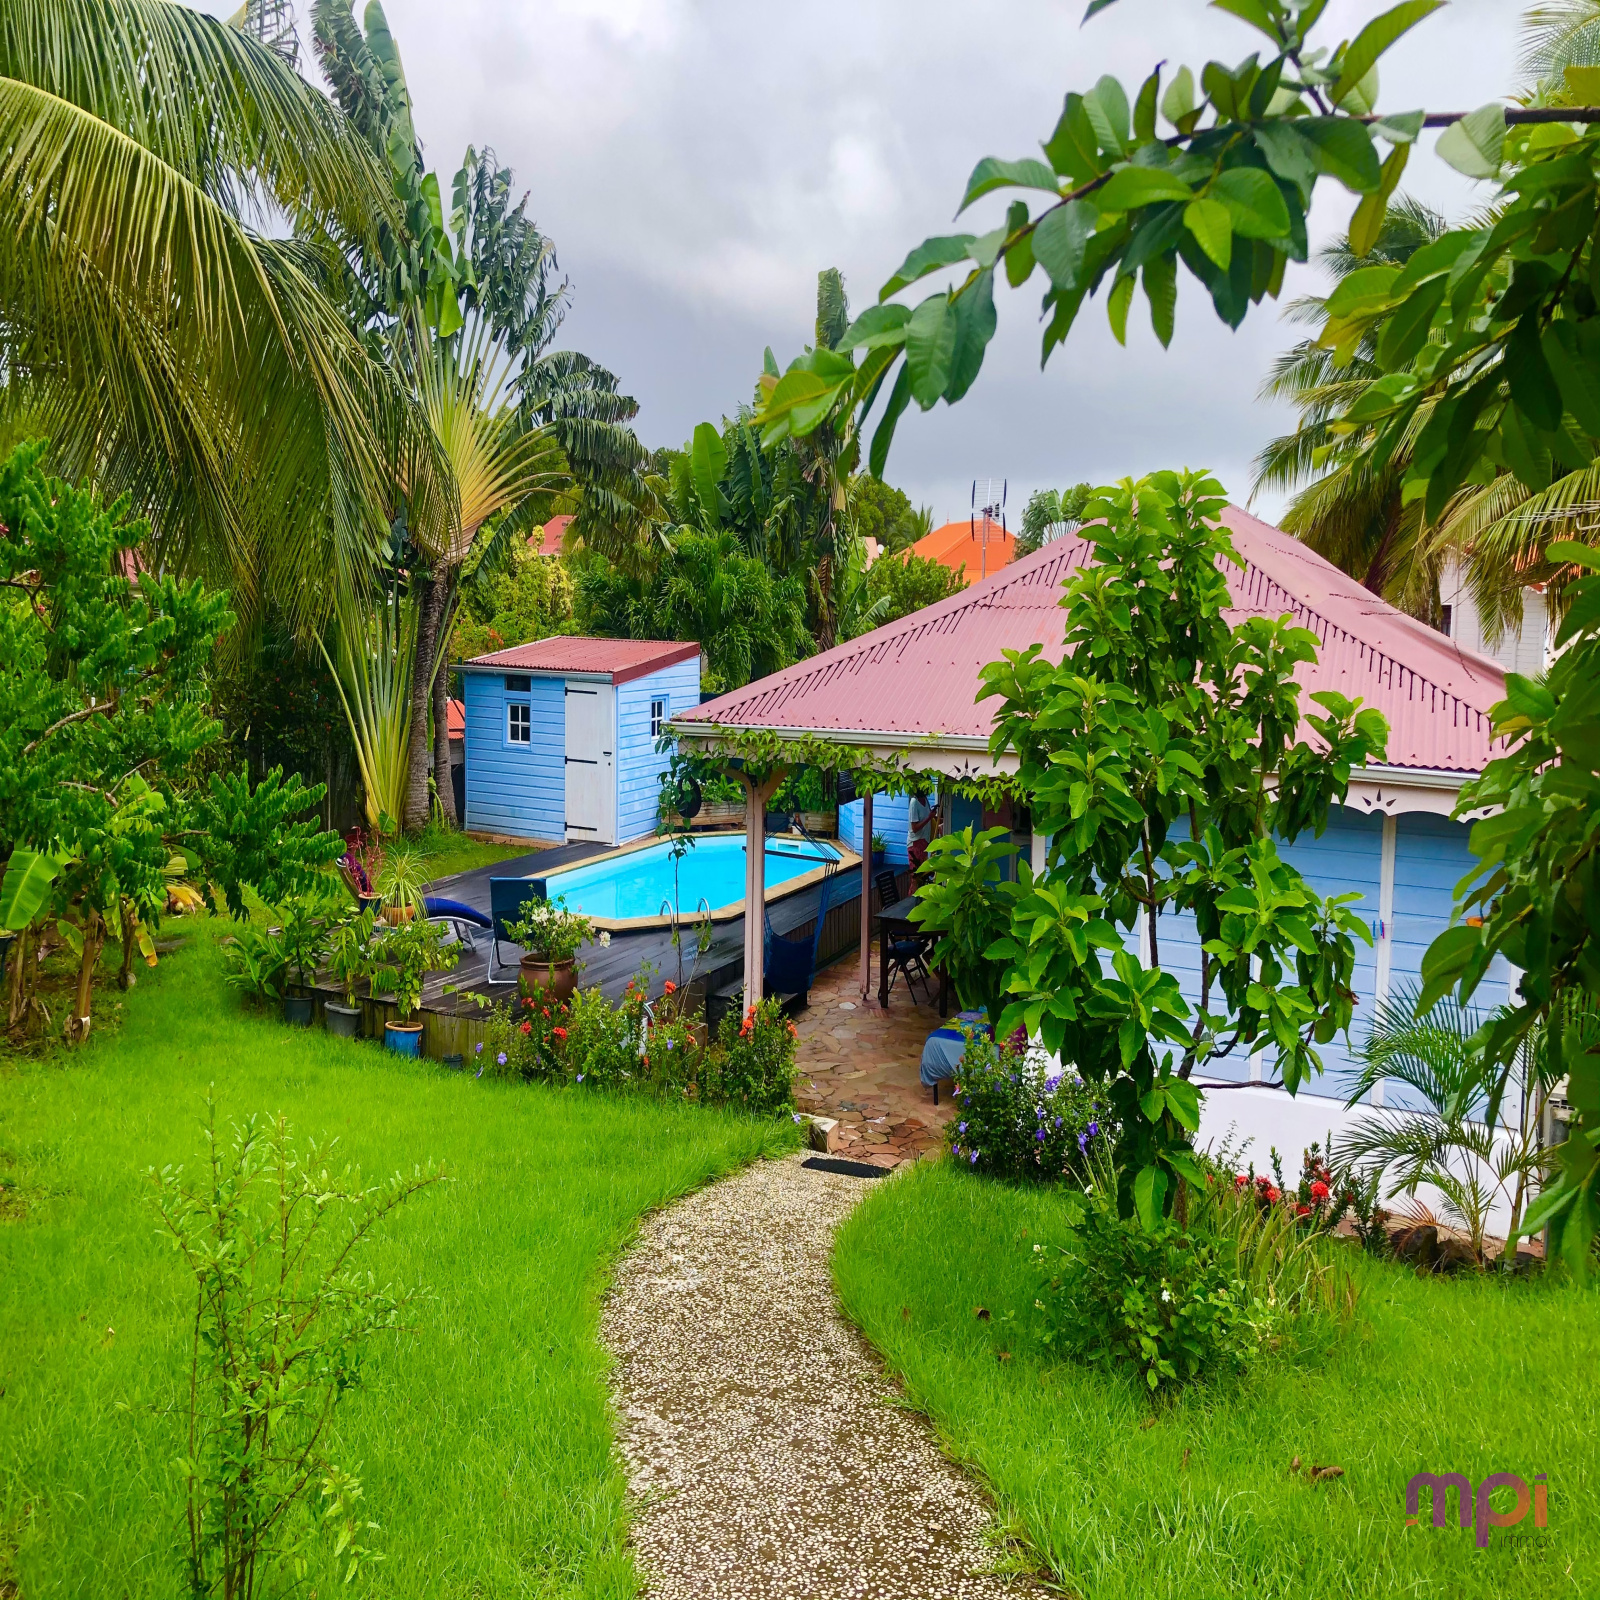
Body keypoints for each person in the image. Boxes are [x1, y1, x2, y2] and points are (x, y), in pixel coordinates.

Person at [907, 791, 935, 873]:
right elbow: (914, 828)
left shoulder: (925, 800)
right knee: (916, 876)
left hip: (924, 841)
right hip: (915, 843)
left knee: (923, 875)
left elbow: (930, 817)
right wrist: (929, 818)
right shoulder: (914, 802)